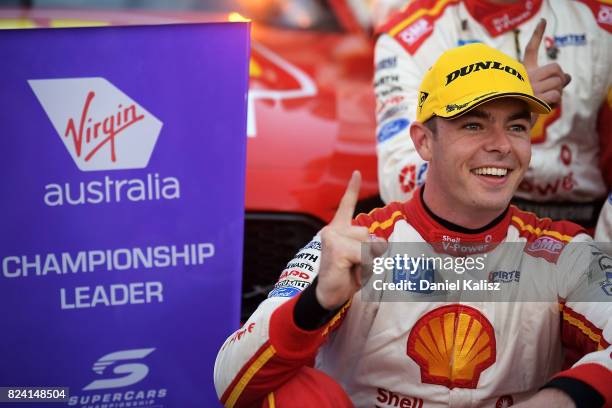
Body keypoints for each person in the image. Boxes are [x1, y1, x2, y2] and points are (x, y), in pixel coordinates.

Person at [214, 44, 611, 407]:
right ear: (423, 142)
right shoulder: (358, 243)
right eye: (474, 125)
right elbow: (228, 377)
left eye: (516, 127)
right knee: (287, 391)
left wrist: (563, 398)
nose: (502, 145)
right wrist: (316, 303)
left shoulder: (563, 252)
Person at [374, 0, 611, 229]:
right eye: (472, 125)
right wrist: (507, 98)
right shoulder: (406, 38)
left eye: (515, 125)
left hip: (587, 223)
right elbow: (398, 181)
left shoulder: (601, 25)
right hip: (467, 232)